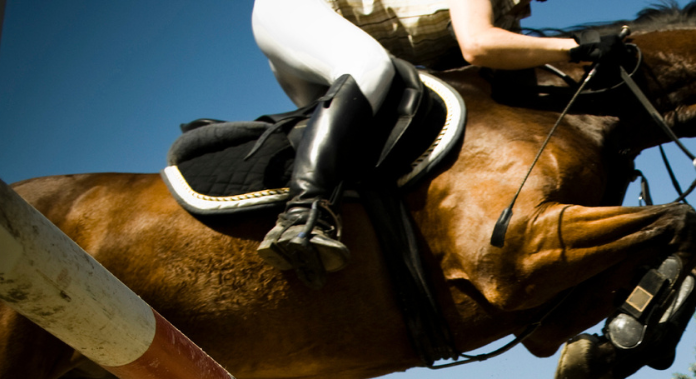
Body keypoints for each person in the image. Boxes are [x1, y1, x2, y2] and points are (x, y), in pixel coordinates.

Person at [249, 0, 625, 283]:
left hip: (337, 45)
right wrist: (574, 46)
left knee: (372, 143)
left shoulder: (509, 16)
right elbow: (477, 45)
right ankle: (303, 214)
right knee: (370, 67)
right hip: (296, 13)